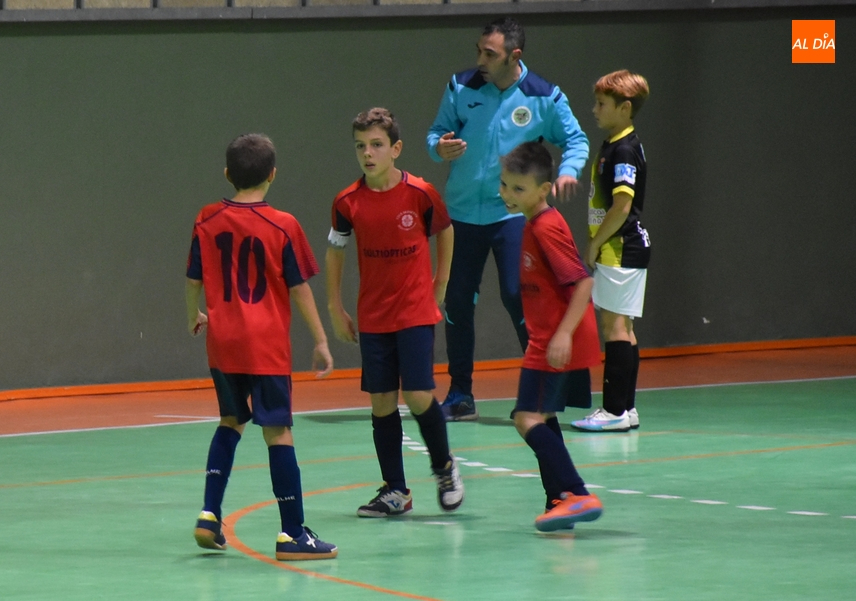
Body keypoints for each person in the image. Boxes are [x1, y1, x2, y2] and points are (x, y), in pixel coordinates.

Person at [427, 17, 590, 422]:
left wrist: (568, 169)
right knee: (458, 302)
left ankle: (541, 389)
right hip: (463, 214)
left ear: (514, 56)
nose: (480, 59)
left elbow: (576, 139)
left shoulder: (543, 96)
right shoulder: (461, 86)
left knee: (520, 296)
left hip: (512, 217)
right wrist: (439, 148)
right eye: (479, 50)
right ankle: (461, 395)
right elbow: (436, 134)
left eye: (490, 53)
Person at [186, 133, 338, 560]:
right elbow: (299, 288)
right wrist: (322, 339)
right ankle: (292, 533)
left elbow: (193, 278)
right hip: (265, 345)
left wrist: (193, 315)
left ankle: (209, 514)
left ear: (227, 174)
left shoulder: (206, 218)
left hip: (223, 342)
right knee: (278, 433)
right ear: (272, 175)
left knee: (230, 421)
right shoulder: (283, 224)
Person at [326, 108, 464, 518]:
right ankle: (396, 491)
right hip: (373, 316)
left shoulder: (420, 193)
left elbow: (446, 231)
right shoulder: (347, 202)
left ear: (396, 149)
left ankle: (444, 467)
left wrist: (439, 285)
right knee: (382, 403)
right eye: (360, 146)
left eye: (376, 145)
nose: (367, 154)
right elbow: (335, 250)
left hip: (416, 311)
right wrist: (335, 306)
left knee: (420, 395)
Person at [499, 141, 603, 531]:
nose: (508, 194)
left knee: (526, 417)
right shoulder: (533, 222)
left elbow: (583, 283)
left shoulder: (546, 227)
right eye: (505, 185)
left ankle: (576, 493)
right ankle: (558, 497)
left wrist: (562, 335)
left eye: (518, 189)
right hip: (547, 337)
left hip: (555, 341)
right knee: (543, 416)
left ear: (544, 191)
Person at [571, 70, 651, 433]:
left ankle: (614, 410)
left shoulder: (623, 150)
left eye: (602, 104)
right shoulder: (615, 144)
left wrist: (594, 242)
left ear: (625, 108)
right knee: (626, 328)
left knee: (614, 327)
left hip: (619, 250)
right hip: (623, 250)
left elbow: (621, 205)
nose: (594, 110)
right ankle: (627, 408)